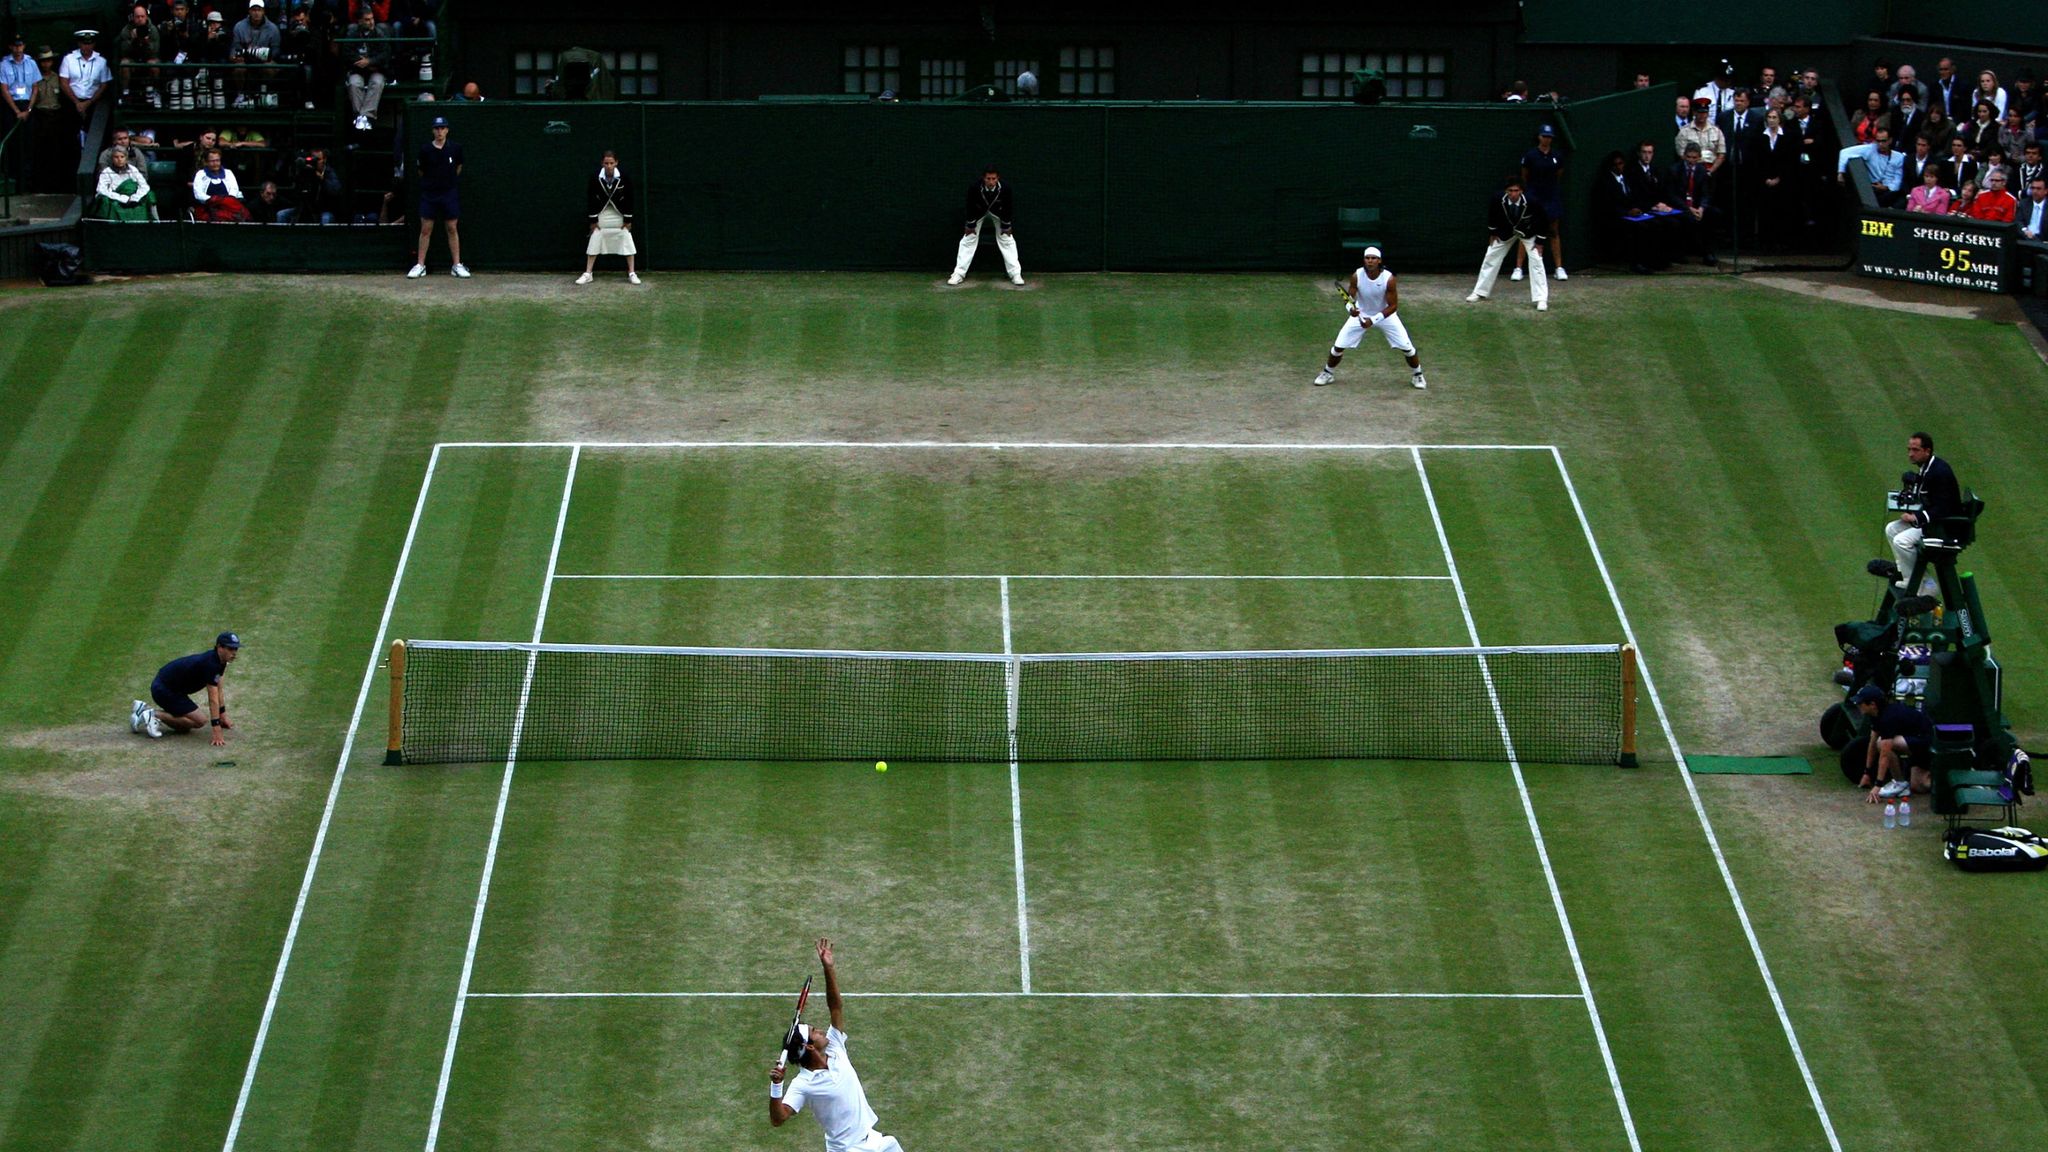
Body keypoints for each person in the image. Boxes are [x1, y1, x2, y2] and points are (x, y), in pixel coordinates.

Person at [767, 938, 904, 1152]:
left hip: (876, 1142)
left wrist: (828, 968)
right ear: (810, 1046)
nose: (821, 1030)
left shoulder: (835, 1047)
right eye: (814, 1031)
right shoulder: (803, 1083)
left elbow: (836, 1007)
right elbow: (778, 1118)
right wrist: (776, 1087)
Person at [1314, 246, 1425, 388]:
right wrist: (1350, 309)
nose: (1370, 261)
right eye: (1367, 258)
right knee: (1338, 347)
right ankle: (1327, 373)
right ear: (1364, 260)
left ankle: (1418, 375)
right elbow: (1349, 298)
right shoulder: (1357, 276)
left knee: (1407, 348)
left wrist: (1372, 320)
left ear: (1379, 261)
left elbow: (1393, 306)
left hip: (1386, 315)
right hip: (1361, 313)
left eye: (1373, 258)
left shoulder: (1389, 279)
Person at [1879, 431, 1960, 599]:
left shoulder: (1939, 472)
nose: (1911, 454)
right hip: (1932, 521)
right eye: (1909, 449)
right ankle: (1908, 575)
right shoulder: (1927, 468)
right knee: (1891, 529)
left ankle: (1924, 584)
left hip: (1942, 526)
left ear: (1927, 451)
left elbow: (1944, 508)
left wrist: (1916, 517)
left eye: (1915, 450)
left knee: (1901, 541)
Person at [135, 632, 241, 743]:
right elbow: (213, 699)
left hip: (174, 689)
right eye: (230, 649)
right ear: (219, 647)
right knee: (199, 721)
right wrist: (216, 728)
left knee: (184, 727)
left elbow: (219, 689)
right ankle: (152, 714)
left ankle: (142, 709)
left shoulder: (221, 661)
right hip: (163, 689)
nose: (234, 653)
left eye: (236, 649)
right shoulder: (211, 665)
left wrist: (222, 715)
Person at [1465, 177, 1549, 308]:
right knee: (1491, 256)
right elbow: (1492, 215)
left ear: (1521, 191)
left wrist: (1539, 242)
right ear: (1506, 191)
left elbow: (1543, 220)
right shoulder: (1497, 199)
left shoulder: (1532, 201)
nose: (1513, 194)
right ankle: (1479, 292)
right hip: (1505, 233)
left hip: (1528, 233)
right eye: (1510, 190)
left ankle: (1541, 299)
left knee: (1536, 260)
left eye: (1516, 190)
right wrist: (1493, 233)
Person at [408, 114, 466, 277]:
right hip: (430, 194)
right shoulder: (425, 149)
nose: (440, 131)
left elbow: (458, 167)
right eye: (437, 128)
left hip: (449, 193)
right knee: (426, 229)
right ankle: (420, 265)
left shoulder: (455, 148)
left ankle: (456, 265)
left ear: (447, 130)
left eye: (442, 128)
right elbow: (421, 171)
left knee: (452, 227)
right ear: (433, 131)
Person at [1853, 685, 1932, 801]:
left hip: (1926, 743)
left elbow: (1885, 753)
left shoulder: (1887, 719)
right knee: (1918, 787)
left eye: (1861, 703)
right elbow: (1872, 743)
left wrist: (1878, 785)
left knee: (1882, 743)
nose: (1858, 705)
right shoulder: (1875, 715)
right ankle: (1902, 783)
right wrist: (1867, 773)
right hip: (1913, 743)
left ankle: (1901, 783)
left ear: (1872, 705)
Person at [948, 164, 1022, 286]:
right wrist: (971, 225)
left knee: (1007, 239)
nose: (991, 182)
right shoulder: (974, 187)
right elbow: (970, 206)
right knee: (968, 239)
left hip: (999, 213)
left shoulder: (1006, 188)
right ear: (984, 178)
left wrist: (1006, 225)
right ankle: (959, 273)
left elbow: (1008, 207)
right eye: (988, 179)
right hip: (978, 213)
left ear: (998, 178)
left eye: (994, 179)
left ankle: (1015, 273)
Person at [578, 149, 639, 284]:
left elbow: (629, 197)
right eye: (606, 163)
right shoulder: (595, 177)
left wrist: (628, 219)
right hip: (602, 213)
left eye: (611, 163)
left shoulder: (625, 176)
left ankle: (632, 272)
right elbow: (591, 198)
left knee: (626, 236)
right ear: (602, 163)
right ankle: (588, 273)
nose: (609, 166)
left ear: (616, 163)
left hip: (619, 213)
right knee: (595, 235)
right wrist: (593, 220)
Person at [1515, 123, 1566, 281]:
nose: (1547, 139)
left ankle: (1558, 268)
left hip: (1551, 197)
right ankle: (1518, 268)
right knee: (1525, 231)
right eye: (1544, 136)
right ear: (1539, 137)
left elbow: (1558, 175)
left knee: (1553, 231)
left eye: (1549, 137)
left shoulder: (1557, 156)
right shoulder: (1530, 156)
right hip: (1534, 197)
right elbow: (1525, 176)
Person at [58, 29, 112, 148]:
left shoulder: (102, 61)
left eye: (89, 43)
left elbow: (104, 84)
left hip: (93, 103)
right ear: (79, 43)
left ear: (94, 44)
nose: (87, 46)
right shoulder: (69, 59)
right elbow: (63, 82)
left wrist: (89, 102)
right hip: (72, 102)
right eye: (84, 43)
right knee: (69, 136)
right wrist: (77, 102)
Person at [339, 5, 389, 130]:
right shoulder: (352, 34)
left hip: (375, 69)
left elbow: (385, 54)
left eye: (372, 19)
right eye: (367, 19)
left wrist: (370, 61)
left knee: (377, 83)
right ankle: (361, 117)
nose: (371, 22)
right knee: (354, 83)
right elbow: (346, 52)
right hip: (357, 69)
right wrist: (359, 61)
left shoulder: (379, 34)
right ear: (360, 21)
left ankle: (365, 116)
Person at [1668, 143, 1717, 264]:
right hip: (1681, 206)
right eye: (1689, 157)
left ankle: (1708, 253)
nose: (1691, 160)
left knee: (1713, 214)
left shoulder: (1702, 171)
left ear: (1699, 157)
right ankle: (1680, 253)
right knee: (1687, 218)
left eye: (1694, 158)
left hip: (1696, 206)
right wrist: (1688, 208)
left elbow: (1706, 194)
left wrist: (1701, 208)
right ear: (1684, 156)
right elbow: (1672, 196)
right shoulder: (1674, 170)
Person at [229, 0, 280, 106]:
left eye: (259, 10)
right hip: (246, 60)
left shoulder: (273, 28)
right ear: (249, 11)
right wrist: (237, 57)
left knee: (269, 67)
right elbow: (235, 48)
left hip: (265, 59)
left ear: (263, 11)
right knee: (238, 68)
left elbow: (276, 51)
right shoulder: (239, 26)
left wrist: (265, 54)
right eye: (254, 10)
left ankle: (265, 94)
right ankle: (241, 95)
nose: (256, 13)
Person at [93, 144, 155, 219]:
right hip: (116, 199)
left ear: (126, 158)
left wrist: (135, 197)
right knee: (105, 200)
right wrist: (122, 198)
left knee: (150, 195)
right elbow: (101, 190)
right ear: (112, 158)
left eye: (122, 157)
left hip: (133, 198)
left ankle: (154, 222)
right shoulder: (106, 172)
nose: (119, 159)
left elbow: (144, 186)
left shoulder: (133, 169)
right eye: (116, 157)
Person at [190, 146, 250, 220]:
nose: (215, 163)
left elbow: (234, 190)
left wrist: (223, 201)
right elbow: (198, 194)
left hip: (229, 206)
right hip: (209, 206)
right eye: (212, 161)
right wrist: (214, 200)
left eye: (217, 160)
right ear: (206, 162)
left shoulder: (228, 173)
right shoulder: (200, 174)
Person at [2020, 176, 2048, 241]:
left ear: (2046, 191)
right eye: (2033, 188)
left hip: (2043, 241)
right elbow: (2018, 221)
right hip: (2025, 238)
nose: (2035, 191)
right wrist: (2025, 230)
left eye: (2038, 189)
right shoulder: (2024, 203)